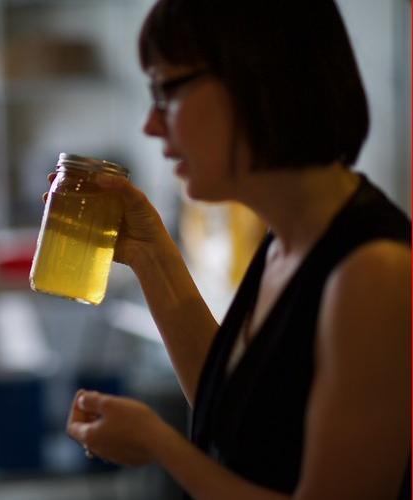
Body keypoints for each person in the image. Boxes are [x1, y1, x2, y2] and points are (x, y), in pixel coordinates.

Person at [63, 0, 411, 499]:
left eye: (168, 90)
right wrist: (148, 252)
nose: (151, 126)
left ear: (255, 82)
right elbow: (242, 417)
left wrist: (162, 446)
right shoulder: (287, 242)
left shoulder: (374, 273)